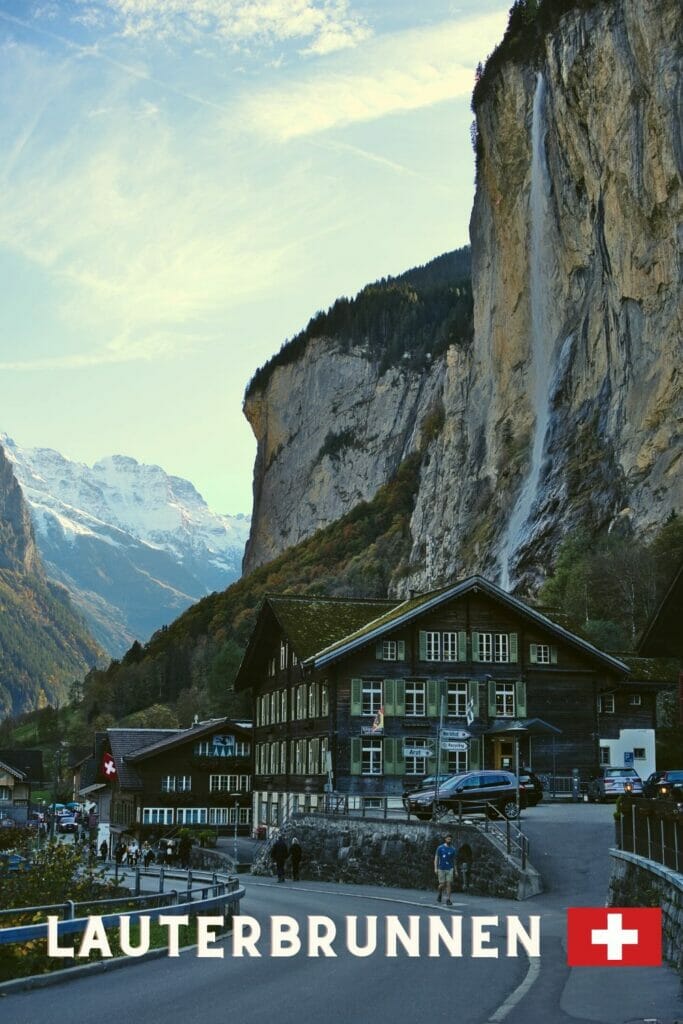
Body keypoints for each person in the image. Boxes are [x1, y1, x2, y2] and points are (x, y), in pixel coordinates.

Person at [434, 833, 457, 906]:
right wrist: (435, 868)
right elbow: (436, 858)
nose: (449, 840)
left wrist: (456, 870)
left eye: (450, 839)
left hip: (450, 868)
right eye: (448, 839)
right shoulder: (440, 848)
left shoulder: (453, 849)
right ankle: (440, 893)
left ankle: (448, 899)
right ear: (445, 839)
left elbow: (454, 860)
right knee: (442, 884)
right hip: (441, 868)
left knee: (449, 884)